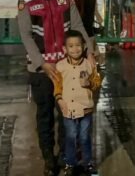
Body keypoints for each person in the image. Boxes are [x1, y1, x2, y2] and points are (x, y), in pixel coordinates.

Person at [18, 0, 94, 176]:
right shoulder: (27, 2)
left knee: (68, 115)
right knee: (45, 116)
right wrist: (42, 63)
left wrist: (89, 51)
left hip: (66, 70)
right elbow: (26, 36)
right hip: (41, 71)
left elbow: (79, 25)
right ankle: (49, 159)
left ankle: (65, 156)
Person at [53, 30, 101, 176]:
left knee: (85, 137)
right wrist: (60, 100)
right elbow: (57, 87)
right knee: (71, 136)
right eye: (71, 46)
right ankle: (70, 163)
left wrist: (90, 83)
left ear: (84, 46)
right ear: (64, 49)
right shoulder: (60, 67)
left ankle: (87, 163)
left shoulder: (89, 65)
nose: (75, 49)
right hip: (68, 109)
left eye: (78, 45)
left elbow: (97, 83)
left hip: (85, 108)